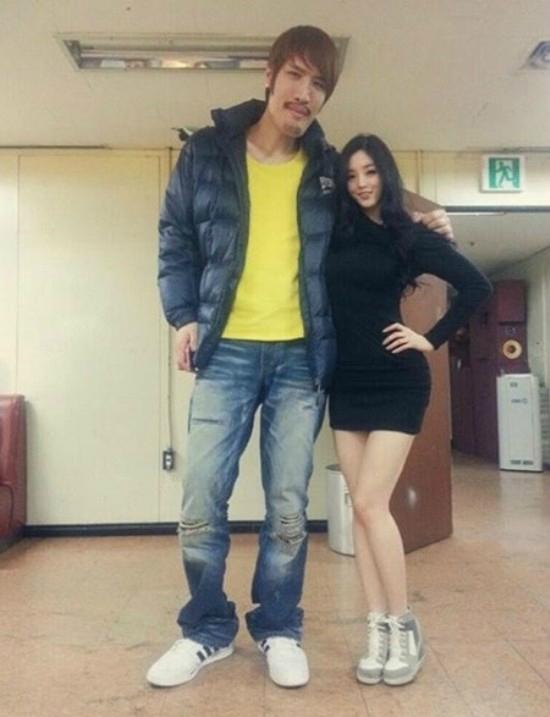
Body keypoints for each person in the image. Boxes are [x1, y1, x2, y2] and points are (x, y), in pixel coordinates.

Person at [148, 26, 453, 690]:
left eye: (320, 85)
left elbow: (377, 214)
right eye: (295, 75)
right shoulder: (206, 152)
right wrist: (183, 315)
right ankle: (205, 630)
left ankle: (280, 626)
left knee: (288, 505)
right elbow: (175, 236)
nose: (305, 93)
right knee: (201, 497)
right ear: (269, 75)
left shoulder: (328, 170)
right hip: (225, 351)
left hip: (299, 358)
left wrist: (428, 224)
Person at [326, 134, 492, 687]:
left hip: (397, 380)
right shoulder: (336, 230)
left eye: (370, 172)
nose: (361, 184)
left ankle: (404, 626)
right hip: (346, 382)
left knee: (371, 503)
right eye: (352, 175)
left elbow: (476, 286)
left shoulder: (408, 234)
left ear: (386, 174)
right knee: (359, 509)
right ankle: (376, 628)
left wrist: (430, 338)